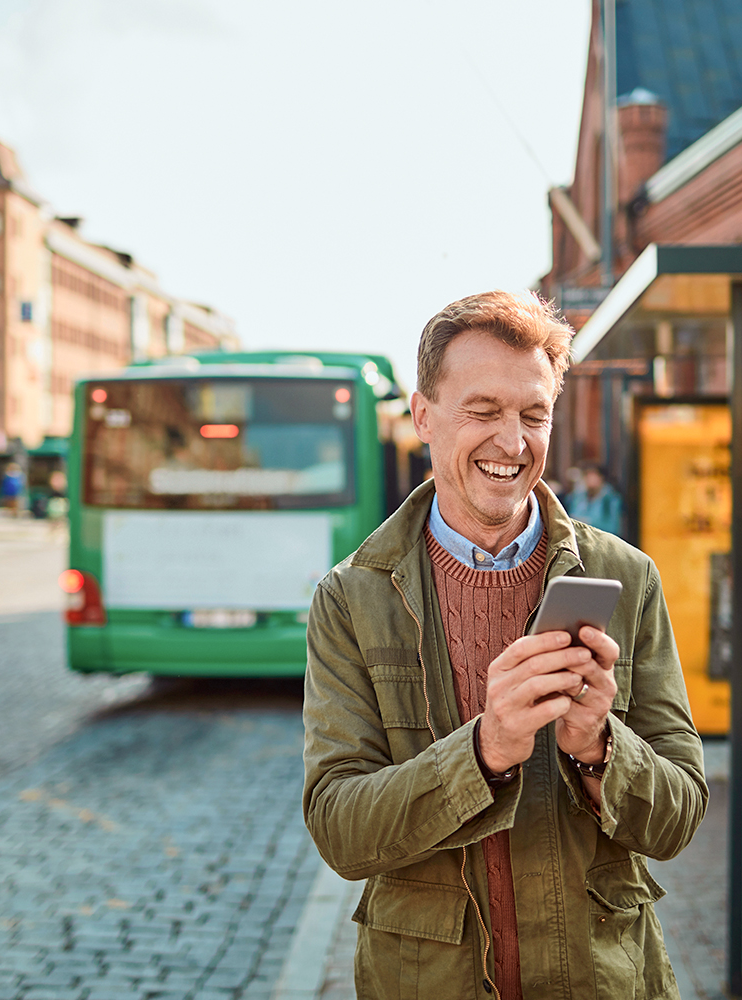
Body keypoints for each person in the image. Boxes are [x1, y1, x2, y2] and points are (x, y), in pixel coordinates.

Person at [302, 290, 708, 1000]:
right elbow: (341, 831)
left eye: (533, 414)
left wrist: (597, 745)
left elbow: (677, 818)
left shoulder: (627, 578)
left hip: (600, 979)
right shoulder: (352, 596)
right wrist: (485, 752)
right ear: (424, 414)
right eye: (483, 411)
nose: (513, 443)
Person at [564, 462, 623, 536]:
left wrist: (587, 523)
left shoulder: (609, 499)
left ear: (601, 478)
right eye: (586, 476)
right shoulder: (577, 497)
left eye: (592, 476)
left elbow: (613, 527)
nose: (589, 480)